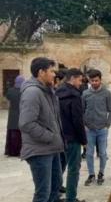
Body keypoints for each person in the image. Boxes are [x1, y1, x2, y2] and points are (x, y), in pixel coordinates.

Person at [19, 57, 65, 202]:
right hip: (40, 150)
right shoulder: (32, 92)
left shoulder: (47, 91)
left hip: (51, 148)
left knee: (55, 185)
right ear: (41, 72)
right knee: (43, 193)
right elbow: (26, 123)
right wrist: (50, 137)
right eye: (52, 71)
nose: (54, 75)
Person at [55, 68, 87, 202]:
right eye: (79, 80)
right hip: (72, 138)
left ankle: (55, 194)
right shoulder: (74, 95)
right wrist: (84, 140)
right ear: (72, 78)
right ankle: (71, 198)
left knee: (60, 166)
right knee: (74, 168)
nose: (80, 83)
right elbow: (77, 119)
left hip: (58, 136)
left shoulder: (56, 93)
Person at [82, 69, 111, 186]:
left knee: (102, 153)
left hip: (102, 129)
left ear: (100, 80)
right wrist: (84, 125)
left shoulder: (107, 93)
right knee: (89, 153)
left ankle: (101, 173)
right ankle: (91, 174)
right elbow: (81, 111)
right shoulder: (85, 94)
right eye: (92, 81)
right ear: (89, 81)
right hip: (89, 129)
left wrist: (107, 125)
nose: (94, 83)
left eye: (96, 80)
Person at [54, 70, 67, 194]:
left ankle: (58, 185)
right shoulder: (52, 93)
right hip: (55, 135)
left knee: (62, 162)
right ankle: (56, 187)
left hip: (62, 134)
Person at [4, 75, 24, 157]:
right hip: (22, 113)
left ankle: (11, 151)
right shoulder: (24, 91)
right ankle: (20, 150)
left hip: (12, 114)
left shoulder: (10, 90)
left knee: (12, 132)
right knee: (20, 133)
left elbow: (8, 98)